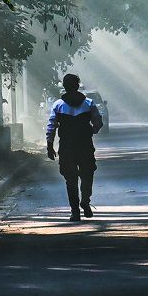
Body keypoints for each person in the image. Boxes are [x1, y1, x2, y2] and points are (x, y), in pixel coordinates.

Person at [46, 74, 103, 221]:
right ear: (77, 86)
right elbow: (98, 122)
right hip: (85, 145)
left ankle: (75, 211)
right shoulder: (89, 103)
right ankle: (85, 200)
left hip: (66, 146)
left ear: (64, 87)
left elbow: (51, 126)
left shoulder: (58, 105)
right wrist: (92, 130)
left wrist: (49, 146)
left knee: (70, 179)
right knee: (87, 173)